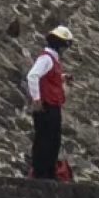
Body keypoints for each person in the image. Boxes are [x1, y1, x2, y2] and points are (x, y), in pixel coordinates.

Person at [26, 26, 73, 179]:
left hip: (52, 106)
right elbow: (33, 76)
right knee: (45, 141)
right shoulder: (46, 58)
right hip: (47, 106)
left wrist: (62, 77)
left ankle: (48, 172)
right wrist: (37, 99)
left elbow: (49, 77)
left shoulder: (52, 60)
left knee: (53, 140)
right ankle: (42, 173)